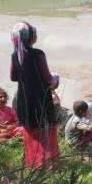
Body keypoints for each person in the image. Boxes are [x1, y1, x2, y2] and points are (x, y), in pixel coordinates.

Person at [10, 22, 59, 169]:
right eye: (34, 34)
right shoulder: (38, 54)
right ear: (30, 37)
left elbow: (13, 77)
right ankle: (50, 164)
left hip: (24, 101)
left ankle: (34, 164)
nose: (36, 36)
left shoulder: (15, 56)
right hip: (41, 100)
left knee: (31, 133)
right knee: (46, 132)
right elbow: (48, 79)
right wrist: (56, 78)